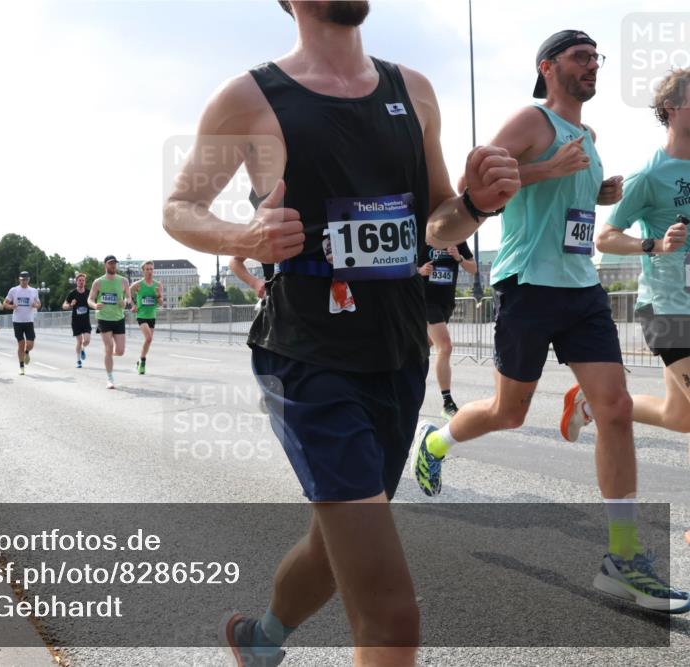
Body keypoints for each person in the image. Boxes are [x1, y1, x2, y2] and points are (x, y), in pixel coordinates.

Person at [162, 1, 519, 662]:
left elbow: (437, 223)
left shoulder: (414, 90)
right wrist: (242, 236)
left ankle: (260, 639)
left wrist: (474, 204)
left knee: (337, 544)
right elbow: (179, 207)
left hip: (399, 348)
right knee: (391, 613)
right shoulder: (248, 96)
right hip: (307, 356)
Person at [411, 31, 688, 613]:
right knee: (509, 412)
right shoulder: (532, 120)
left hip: (582, 287)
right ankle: (436, 441)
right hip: (528, 287)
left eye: (596, 58)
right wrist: (549, 168)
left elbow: (574, 207)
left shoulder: (588, 135)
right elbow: (473, 190)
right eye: (579, 57)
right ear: (549, 67)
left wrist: (601, 190)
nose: (592, 66)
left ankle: (623, 557)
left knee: (613, 408)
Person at [562, 69, 690, 591]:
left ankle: (593, 404)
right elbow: (605, 236)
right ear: (676, 108)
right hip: (669, 308)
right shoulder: (649, 175)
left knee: (682, 419)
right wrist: (654, 246)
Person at [417, 242, 476, 419]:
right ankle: (447, 402)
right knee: (445, 347)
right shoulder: (423, 237)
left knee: (422, 349)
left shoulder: (457, 238)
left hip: (446, 303)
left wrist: (459, 258)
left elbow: (473, 268)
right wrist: (420, 271)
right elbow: (404, 267)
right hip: (426, 301)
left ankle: (405, 382)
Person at [88, 255, 131, 389]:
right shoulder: (98, 282)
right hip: (104, 318)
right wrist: (95, 305)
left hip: (118, 318)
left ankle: (109, 355)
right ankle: (110, 378)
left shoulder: (123, 281)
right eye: (110, 263)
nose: (113, 266)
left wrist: (125, 302)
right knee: (109, 347)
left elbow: (129, 298)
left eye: (114, 263)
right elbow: (90, 299)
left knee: (120, 351)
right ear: (105, 265)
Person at [129, 261, 163, 375]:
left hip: (152, 315)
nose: (150, 271)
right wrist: (133, 305)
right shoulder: (138, 284)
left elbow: (161, 303)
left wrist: (158, 295)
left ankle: (140, 360)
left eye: (151, 269)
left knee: (148, 341)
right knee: (148, 338)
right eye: (147, 269)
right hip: (141, 315)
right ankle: (143, 362)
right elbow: (128, 292)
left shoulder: (158, 285)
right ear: (143, 271)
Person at [4, 271, 41, 375]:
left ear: (28, 280)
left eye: (26, 279)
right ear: (19, 280)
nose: (24, 281)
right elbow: (5, 303)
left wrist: (36, 305)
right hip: (17, 321)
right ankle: (21, 366)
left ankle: (27, 352)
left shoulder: (33, 291)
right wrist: (11, 306)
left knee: (30, 344)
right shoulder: (14, 290)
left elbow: (39, 304)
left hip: (29, 320)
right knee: (21, 344)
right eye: (22, 279)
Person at [62, 273, 92, 368]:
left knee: (87, 340)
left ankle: (83, 348)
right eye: (79, 280)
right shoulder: (72, 293)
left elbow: (93, 301)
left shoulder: (89, 292)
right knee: (79, 341)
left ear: (85, 282)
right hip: (76, 321)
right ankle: (78, 360)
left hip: (86, 321)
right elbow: (64, 306)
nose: (81, 282)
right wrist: (70, 304)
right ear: (76, 281)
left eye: (83, 280)